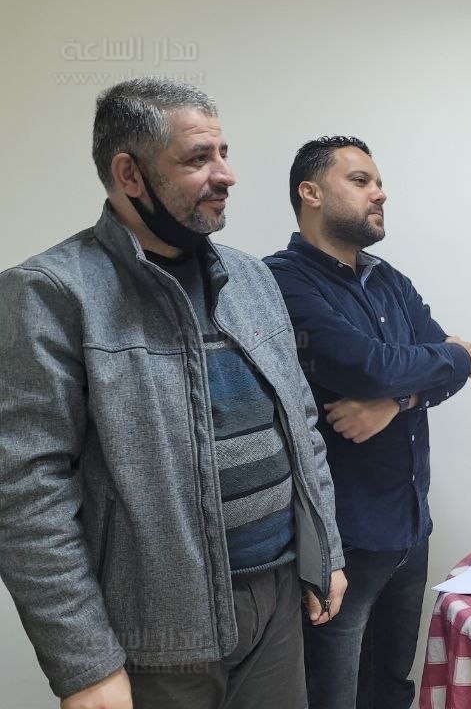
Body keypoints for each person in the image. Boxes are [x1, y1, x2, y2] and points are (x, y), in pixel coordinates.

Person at [0, 77, 346, 709]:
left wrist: (326, 552)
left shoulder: (250, 277)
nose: (226, 174)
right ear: (129, 174)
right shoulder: (51, 293)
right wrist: (84, 664)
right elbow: (26, 496)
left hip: (278, 601)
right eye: (198, 158)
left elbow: (301, 425)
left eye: (223, 152)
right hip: (159, 633)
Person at [265, 136, 471, 709]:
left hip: (409, 527)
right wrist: (454, 355)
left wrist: (397, 402)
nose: (380, 193)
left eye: (378, 183)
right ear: (310, 192)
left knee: (391, 687)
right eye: (360, 181)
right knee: (332, 696)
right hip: (343, 543)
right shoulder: (281, 281)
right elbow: (369, 365)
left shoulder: (388, 279)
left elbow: (441, 372)